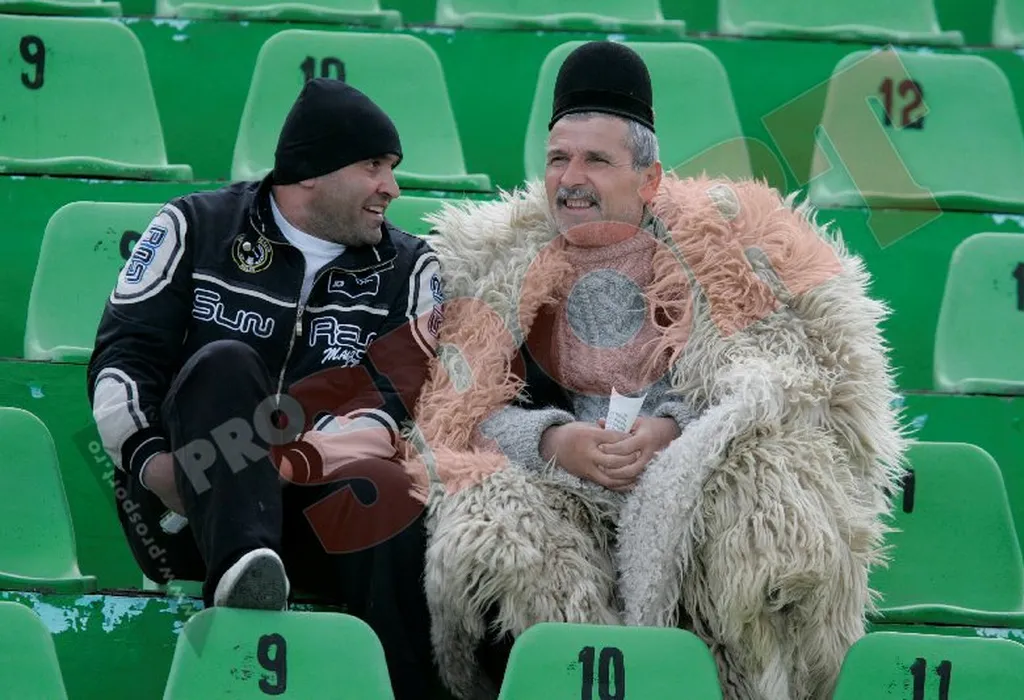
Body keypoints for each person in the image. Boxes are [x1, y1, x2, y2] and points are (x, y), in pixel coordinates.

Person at [400, 42, 906, 700]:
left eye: (596, 160)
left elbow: (774, 387)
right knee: (487, 527)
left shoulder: (728, 258)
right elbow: (454, 414)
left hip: (696, 502)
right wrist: (554, 440)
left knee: (770, 505)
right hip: (565, 501)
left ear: (648, 180)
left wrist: (671, 431)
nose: (570, 179)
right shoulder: (499, 265)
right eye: (558, 159)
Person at [88, 78, 445, 699]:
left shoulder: (411, 268)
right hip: (184, 505)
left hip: (313, 512)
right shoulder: (195, 225)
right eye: (374, 166)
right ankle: (242, 573)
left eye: (392, 168)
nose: (392, 187)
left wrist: (276, 466)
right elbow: (123, 361)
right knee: (224, 363)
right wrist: (154, 466)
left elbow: (389, 409)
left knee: (389, 491)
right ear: (311, 173)